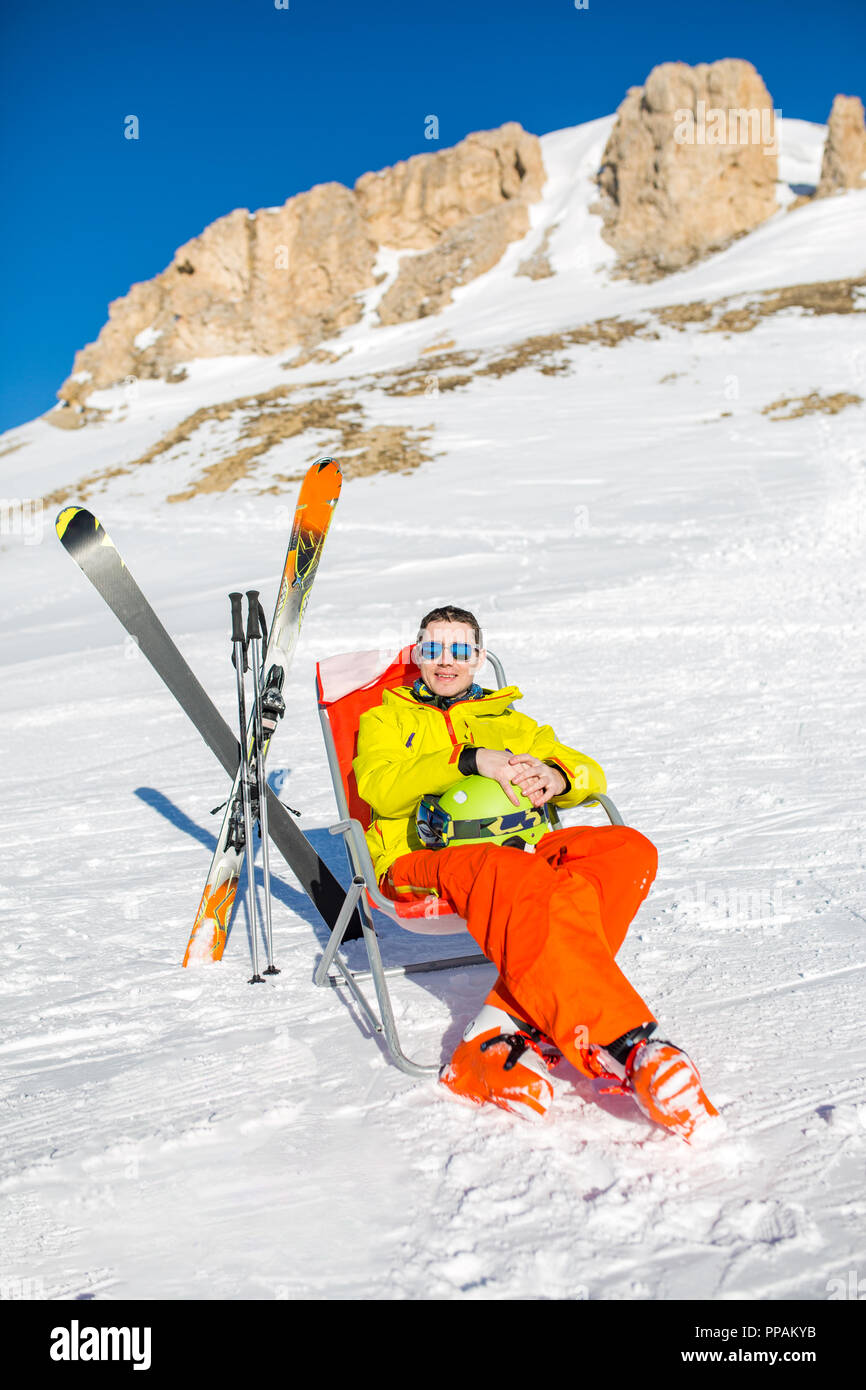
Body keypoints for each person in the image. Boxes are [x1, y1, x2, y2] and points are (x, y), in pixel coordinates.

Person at [353, 604, 718, 1142]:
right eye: (433, 649)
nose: (445, 662)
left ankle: (495, 1038)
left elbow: (592, 772)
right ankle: (630, 1045)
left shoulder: (513, 722)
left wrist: (557, 775)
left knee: (625, 849)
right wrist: (469, 759)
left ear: (479, 657)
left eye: (460, 650)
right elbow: (377, 788)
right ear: (418, 654)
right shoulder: (386, 718)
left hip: (519, 851)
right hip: (422, 863)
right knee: (515, 874)